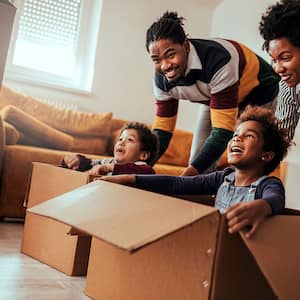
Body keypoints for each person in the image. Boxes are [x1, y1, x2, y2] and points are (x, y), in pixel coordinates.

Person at [100, 106, 291, 238]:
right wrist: (132, 178)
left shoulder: (268, 184)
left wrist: (263, 206)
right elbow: (177, 184)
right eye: (235, 135)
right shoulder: (223, 177)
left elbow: (276, 199)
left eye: (248, 136)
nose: (237, 139)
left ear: (266, 155)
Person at [146, 11, 280, 176]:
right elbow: (162, 130)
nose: (165, 65)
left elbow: (223, 131)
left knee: (248, 160)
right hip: (216, 97)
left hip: (259, 92)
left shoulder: (218, 60)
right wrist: (140, 167)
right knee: (197, 161)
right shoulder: (161, 79)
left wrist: (185, 178)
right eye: (156, 60)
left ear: (186, 46)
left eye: (171, 55)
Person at [259, 0, 300, 141]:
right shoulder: (287, 87)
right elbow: (281, 139)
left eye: (285, 58)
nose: (278, 69)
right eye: (274, 60)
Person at [62, 122, 159, 175]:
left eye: (130, 140)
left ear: (143, 155)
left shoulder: (140, 167)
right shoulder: (109, 161)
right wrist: (77, 160)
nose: (121, 142)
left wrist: (108, 167)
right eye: (120, 139)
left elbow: (147, 171)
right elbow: (90, 163)